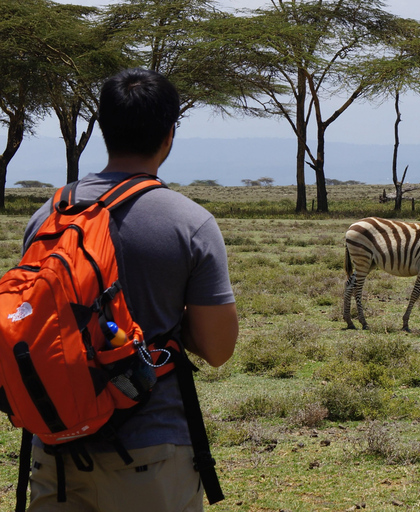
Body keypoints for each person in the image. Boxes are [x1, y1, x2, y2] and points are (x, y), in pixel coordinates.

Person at [22, 67, 239, 511]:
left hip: (55, 446)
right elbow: (218, 348)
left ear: (102, 129)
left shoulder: (49, 215)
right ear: (169, 135)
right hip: (152, 451)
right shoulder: (189, 221)